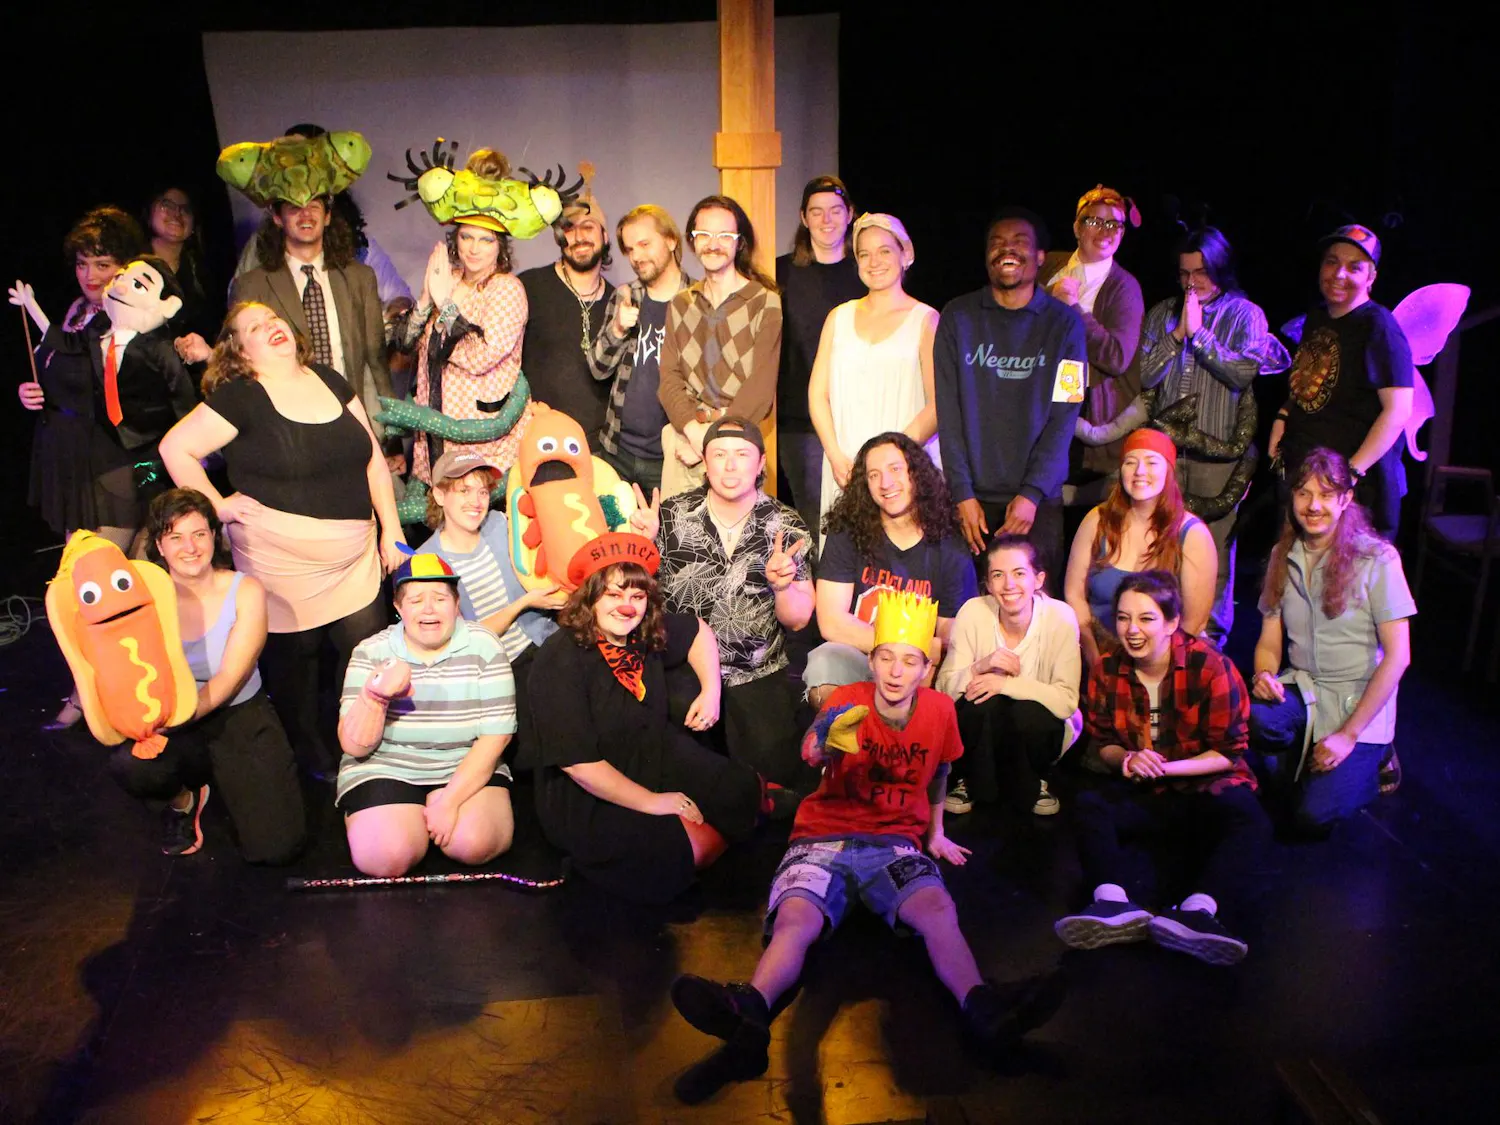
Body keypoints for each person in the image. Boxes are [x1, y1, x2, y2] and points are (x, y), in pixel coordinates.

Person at [668, 591, 1064, 1102]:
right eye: (886, 657)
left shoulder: (941, 710)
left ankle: (983, 1007)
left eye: (910, 660)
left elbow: (941, 771)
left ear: (925, 666)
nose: (896, 672)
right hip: (824, 836)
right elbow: (812, 752)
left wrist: (936, 833)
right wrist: (825, 735)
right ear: (872, 659)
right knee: (797, 919)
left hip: (893, 841)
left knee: (937, 909)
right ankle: (750, 1008)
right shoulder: (848, 700)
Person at [158, 301, 405, 779]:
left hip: (354, 557)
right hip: (280, 561)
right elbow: (175, 448)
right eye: (254, 327)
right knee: (297, 671)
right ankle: (311, 758)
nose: (270, 327)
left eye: (273, 319)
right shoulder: (240, 396)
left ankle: (359, 742)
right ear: (239, 351)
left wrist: (392, 529)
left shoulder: (330, 380)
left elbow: (373, 458)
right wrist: (219, 504)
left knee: (364, 654)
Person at [528, 533, 762, 903]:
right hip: (586, 789)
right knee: (694, 849)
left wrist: (711, 691)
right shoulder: (560, 658)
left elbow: (697, 630)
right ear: (589, 598)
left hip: (653, 755)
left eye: (637, 597)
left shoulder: (642, 633)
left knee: (740, 792)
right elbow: (578, 764)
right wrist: (654, 802)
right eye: (614, 595)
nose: (627, 607)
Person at [1055, 571, 1269, 965]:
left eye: (1146, 618)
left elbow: (1229, 752)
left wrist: (1168, 769)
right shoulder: (1107, 669)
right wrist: (1129, 759)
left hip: (1200, 788)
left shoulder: (1211, 667)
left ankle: (1199, 913)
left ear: (1171, 623)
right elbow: (1104, 743)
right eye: (1122, 618)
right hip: (1144, 790)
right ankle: (1112, 902)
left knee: (1249, 818)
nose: (1132, 630)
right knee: (1088, 805)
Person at [106, 489, 305, 862]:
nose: (190, 547)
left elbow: (231, 676)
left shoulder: (245, 590)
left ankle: (226, 783)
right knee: (131, 763)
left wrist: (177, 717)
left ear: (214, 536)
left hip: (236, 714)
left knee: (276, 849)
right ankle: (184, 800)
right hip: (173, 718)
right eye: (176, 537)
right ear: (160, 546)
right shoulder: (143, 597)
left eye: (199, 534)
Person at [1134, 227, 1291, 643]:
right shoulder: (1162, 313)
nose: (1191, 282)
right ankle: (1158, 639)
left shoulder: (1246, 315)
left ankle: (1208, 648)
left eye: (1201, 272)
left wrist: (1200, 335)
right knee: (1158, 550)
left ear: (1220, 268)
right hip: (1165, 458)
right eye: (1185, 273)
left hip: (1216, 460)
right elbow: (1145, 375)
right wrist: (1178, 335)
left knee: (1211, 555)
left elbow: (1242, 373)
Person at [1248, 448, 1414, 830]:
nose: (1313, 505)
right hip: (1305, 690)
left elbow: (1398, 656)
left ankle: (1377, 760)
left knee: (1311, 816)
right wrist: (1263, 675)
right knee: (1255, 719)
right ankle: (1302, 757)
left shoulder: (1378, 559)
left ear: (1345, 499)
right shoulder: (1282, 554)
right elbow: (1269, 640)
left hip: (1357, 703)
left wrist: (1348, 735)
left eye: (1325, 494)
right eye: (1304, 493)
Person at [650, 417, 816, 787]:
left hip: (756, 672)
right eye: (719, 454)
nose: (730, 465)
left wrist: (783, 587)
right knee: (682, 779)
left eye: (742, 455)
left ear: (759, 465)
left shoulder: (786, 524)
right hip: (681, 671)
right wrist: (642, 548)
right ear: (704, 463)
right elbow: (636, 598)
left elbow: (799, 620)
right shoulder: (670, 516)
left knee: (775, 788)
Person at [934, 206, 1088, 584]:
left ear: (1039, 257)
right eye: (997, 242)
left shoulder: (1065, 324)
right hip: (972, 503)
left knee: (1036, 615)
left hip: (1037, 503)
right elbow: (949, 416)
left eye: (1020, 242)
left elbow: (1064, 416)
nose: (1008, 249)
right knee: (970, 618)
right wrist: (962, 495)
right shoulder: (957, 318)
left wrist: (1032, 494)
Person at [183, 135, 391, 416]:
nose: (306, 214)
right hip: (286, 424)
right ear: (278, 218)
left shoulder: (360, 278)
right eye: (294, 207)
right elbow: (238, 363)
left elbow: (375, 362)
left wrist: (389, 437)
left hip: (350, 417)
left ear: (328, 216)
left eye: (314, 206)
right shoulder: (252, 285)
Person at [337, 553, 516, 878]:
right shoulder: (370, 651)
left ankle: (437, 815)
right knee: (386, 858)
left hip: (465, 762)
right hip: (388, 765)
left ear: (456, 603)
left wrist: (449, 802)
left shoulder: (485, 646)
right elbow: (355, 747)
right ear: (398, 607)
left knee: (474, 843)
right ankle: (405, 823)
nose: (429, 609)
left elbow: (496, 736)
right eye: (416, 600)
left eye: (440, 598)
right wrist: (376, 697)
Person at [415, 448, 567, 770]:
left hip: (542, 642)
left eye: (482, 490)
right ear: (440, 495)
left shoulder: (500, 524)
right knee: (533, 752)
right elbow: (464, 640)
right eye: (464, 490)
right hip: (495, 668)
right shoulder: (428, 563)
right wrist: (526, 602)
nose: (476, 501)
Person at [11, 206, 147, 548]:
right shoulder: (78, 309)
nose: (89, 275)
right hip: (70, 456)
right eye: (82, 264)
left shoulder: (130, 318)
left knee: (96, 569)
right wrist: (34, 391)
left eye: (102, 265)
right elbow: (61, 368)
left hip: (107, 462)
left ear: (125, 266)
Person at [806, 432, 974, 705]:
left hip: (919, 669)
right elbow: (831, 621)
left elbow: (951, 630)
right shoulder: (847, 533)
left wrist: (911, 658)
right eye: (873, 475)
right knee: (824, 663)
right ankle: (844, 742)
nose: (885, 483)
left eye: (895, 469)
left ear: (916, 474)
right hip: (862, 657)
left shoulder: (950, 545)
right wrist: (897, 648)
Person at [1271, 224, 1414, 538]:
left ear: (1371, 277)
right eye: (1332, 261)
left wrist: (1350, 472)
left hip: (1347, 498)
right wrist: (1282, 418)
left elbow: (1399, 411)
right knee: (1294, 580)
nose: (1339, 274)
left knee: (1340, 585)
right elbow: (1309, 381)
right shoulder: (1318, 316)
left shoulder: (1378, 327)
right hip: (1303, 481)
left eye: (1354, 267)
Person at [403, 150, 533, 483]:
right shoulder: (449, 278)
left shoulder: (506, 289)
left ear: (499, 245)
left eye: (485, 240)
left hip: (482, 437)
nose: (474, 248)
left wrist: (445, 303)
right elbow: (408, 344)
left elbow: (480, 356)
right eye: (466, 237)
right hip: (434, 430)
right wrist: (423, 299)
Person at [936, 534, 1081, 817]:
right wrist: (980, 666)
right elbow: (944, 692)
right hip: (986, 729)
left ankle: (1035, 781)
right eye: (998, 575)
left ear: (1038, 579)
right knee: (980, 700)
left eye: (1019, 573)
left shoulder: (1060, 617)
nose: (1009, 585)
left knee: (1027, 711)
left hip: (1037, 729)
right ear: (988, 584)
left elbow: (1066, 701)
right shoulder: (973, 612)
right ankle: (971, 781)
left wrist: (1005, 684)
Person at [808, 212, 938, 527]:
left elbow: (939, 404)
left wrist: (888, 460)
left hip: (901, 470)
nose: (873, 261)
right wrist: (836, 456)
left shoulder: (926, 319)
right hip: (845, 467)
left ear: (905, 254)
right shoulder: (838, 317)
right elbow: (817, 393)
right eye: (864, 253)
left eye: (884, 251)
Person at [657, 196, 782, 496]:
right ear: (692, 240)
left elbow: (760, 389)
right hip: (684, 441)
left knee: (736, 541)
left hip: (736, 446)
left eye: (724, 236)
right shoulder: (680, 303)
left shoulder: (765, 302)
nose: (714, 244)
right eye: (705, 235)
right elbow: (669, 380)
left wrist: (712, 443)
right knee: (680, 541)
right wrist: (693, 433)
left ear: (739, 243)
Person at [1064, 430, 1216, 670]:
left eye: (1151, 462)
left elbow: (1193, 623)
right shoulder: (1098, 520)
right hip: (1099, 653)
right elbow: (1074, 594)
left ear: (1169, 471)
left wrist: (1153, 669)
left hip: (1168, 661)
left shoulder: (1192, 533)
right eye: (1130, 462)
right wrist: (1093, 655)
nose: (1140, 472)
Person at [232, 122, 412, 307]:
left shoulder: (358, 248)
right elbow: (238, 305)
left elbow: (399, 299)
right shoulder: (260, 247)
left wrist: (393, 314)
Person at [776, 175, 863, 534]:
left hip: (859, 415)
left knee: (863, 517)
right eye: (817, 212)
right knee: (817, 523)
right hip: (800, 423)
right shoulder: (780, 273)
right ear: (803, 217)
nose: (826, 220)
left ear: (850, 214)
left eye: (835, 211)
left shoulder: (868, 271)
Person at [1042, 184, 1145, 481]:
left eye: (1114, 224)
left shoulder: (1124, 288)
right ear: (1077, 227)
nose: (1106, 230)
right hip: (1033, 401)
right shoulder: (1049, 266)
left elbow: (1116, 357)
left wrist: (1073, 309)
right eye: (1095, 221)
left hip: (1080, 410)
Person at [587, 204, 693, 494]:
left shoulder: (698, 302)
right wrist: (617, 329)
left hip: (672, 458)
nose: (636, 257)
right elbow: (597, 368)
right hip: (617, 451)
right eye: (630, 249)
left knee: (670, 539)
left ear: (671, 240)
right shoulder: (626, 296)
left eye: (645, 244)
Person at [518, 186, 614, 446]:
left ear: (605, 236)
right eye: (569, 228)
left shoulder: (619, 302)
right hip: (538, 439)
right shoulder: (528, 287)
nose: (579, 237)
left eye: (588, 227)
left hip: (599, 448)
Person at [141, 184, 220, 343]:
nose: (177, 213)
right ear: (149, 214)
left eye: (185, 209)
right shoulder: (132, 266)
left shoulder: (202, 271)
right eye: (167, 205)